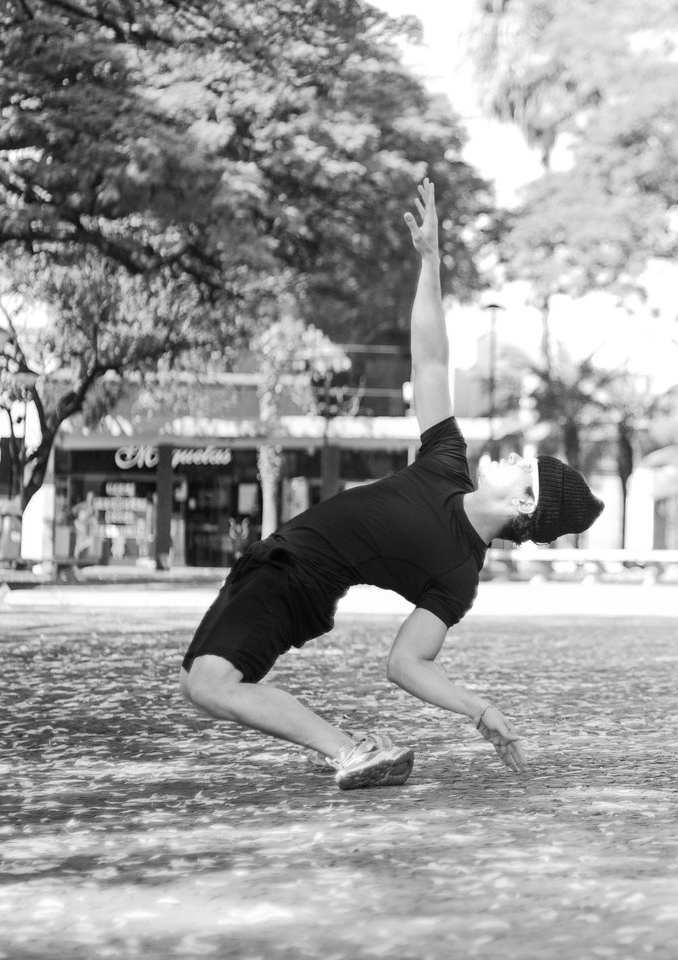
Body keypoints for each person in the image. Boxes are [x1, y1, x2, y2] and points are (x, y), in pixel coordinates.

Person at [180, 179, 605, 790]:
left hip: (292, 576)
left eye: (521, 464)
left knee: (211, 684)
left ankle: (353, 750)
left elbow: (407, 665)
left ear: (523, 501)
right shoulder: (446, 461)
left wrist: (480, 711)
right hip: (274, 569)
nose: (510, 454)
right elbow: (429, 359)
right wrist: (431, 263)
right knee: (198, 683)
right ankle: (350, 748)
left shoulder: (459, 573)